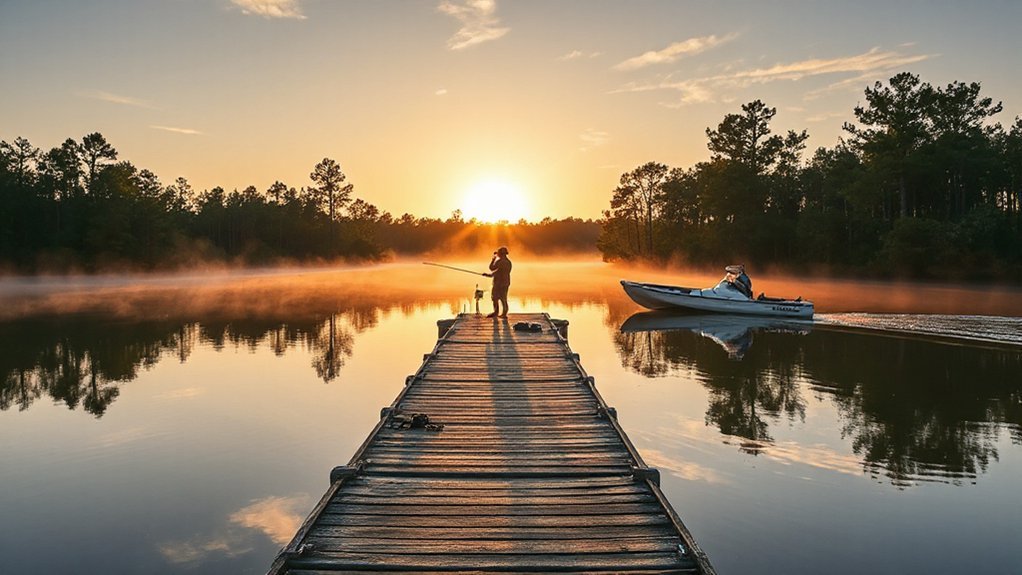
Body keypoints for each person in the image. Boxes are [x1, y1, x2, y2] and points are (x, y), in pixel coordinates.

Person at [483, 246, 512, 318]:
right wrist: (489, 275)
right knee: (503, 298)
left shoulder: (500, 261)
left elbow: (492, 268)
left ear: (500, 254)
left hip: (499, 283)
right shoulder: (508, 262)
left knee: (495, 297)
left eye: (498, 253)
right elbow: (498, 272)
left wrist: (493, 259)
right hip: (506, 282)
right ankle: (503, 313)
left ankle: (497, 312)